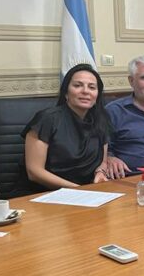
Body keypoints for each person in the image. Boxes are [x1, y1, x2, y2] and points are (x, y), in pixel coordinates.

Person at [18, 64, 111, 193]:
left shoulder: (101, 119)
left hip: (89, 192)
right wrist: (78, 190)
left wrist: (100, 172)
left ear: (97, 95)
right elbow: (34, 172)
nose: (85, 91)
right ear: (66, 92)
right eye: (77, 85)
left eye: (92, 87)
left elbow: (103, 160)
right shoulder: (47, 119)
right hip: (45, 194)